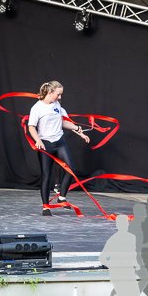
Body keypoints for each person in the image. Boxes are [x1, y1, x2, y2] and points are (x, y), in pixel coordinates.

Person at [27, 80, 90, 216]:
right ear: (50, 92)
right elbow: (31, 127)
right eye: (58, 94)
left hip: (59, 142)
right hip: (45, 144)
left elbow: (62, 122)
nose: (60, 97)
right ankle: (46, 207)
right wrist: (38, 140)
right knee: (46, 175)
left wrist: (78, 129)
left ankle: (62, 196)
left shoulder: (57, 105)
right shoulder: (37, 108)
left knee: (71, 169)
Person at [100, 214, 144, 296]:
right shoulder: (114, 239)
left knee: (128, 291)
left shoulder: (131, 237)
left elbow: (133, 253)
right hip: (118, 269)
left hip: (128, 269)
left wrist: (137, 264)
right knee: (122, 295)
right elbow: (103, 257)